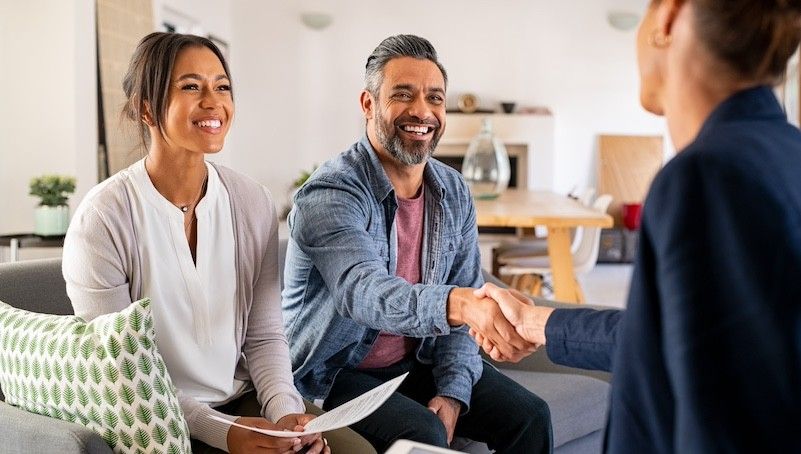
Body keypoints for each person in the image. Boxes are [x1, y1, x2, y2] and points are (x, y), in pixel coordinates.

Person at [472, 0, 801, 452]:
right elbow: (674, 340)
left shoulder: (707, 175)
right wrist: (536, 321)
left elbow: (718, 420)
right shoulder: (784, 154)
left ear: (668, 15)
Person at [62, 32, 348, 454]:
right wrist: (222, 431)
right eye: (191, 86)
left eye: (223, 86)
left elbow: (265, 335)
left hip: (240, 399)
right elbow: (121, 373)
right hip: (150, 418)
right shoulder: (102, 218)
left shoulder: (252, 202)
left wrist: (285, 414)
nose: (213, 102)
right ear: (147, 108)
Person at [281, 34, 551, 453]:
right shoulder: (330, 194)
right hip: (332, 374)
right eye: (402, 95)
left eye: (435, 98)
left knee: (532, 417)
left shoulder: (452, 191)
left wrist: (453, 390)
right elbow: (363, 292)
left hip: (414, 362)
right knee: (421, 431)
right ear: (368, 105)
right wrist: (460, 304)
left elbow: (466, 301)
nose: (422, 111)